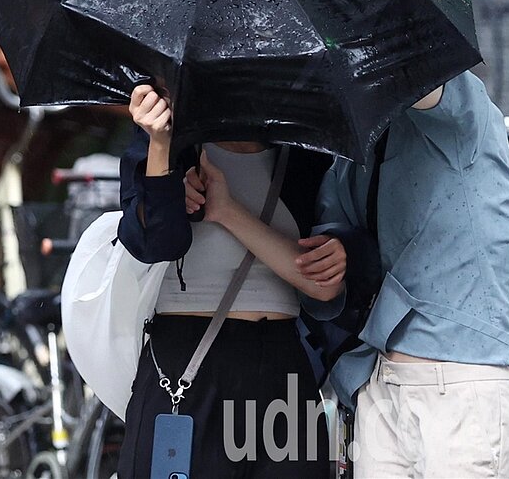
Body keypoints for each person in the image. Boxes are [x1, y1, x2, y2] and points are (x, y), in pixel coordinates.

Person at [115, 84, 348, 479]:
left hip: (283, 367)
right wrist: (160, 147)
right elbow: (155, 242)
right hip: (188, 362)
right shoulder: (173, 136)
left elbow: (324, 279)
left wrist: (341, 254)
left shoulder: (306, 146)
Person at [317, 71, 509, 478]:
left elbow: (420, 73)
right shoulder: (347, 158)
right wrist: (337, 255)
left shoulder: (458, 99)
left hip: (466, 376)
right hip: (379, 382)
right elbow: (322, 268)